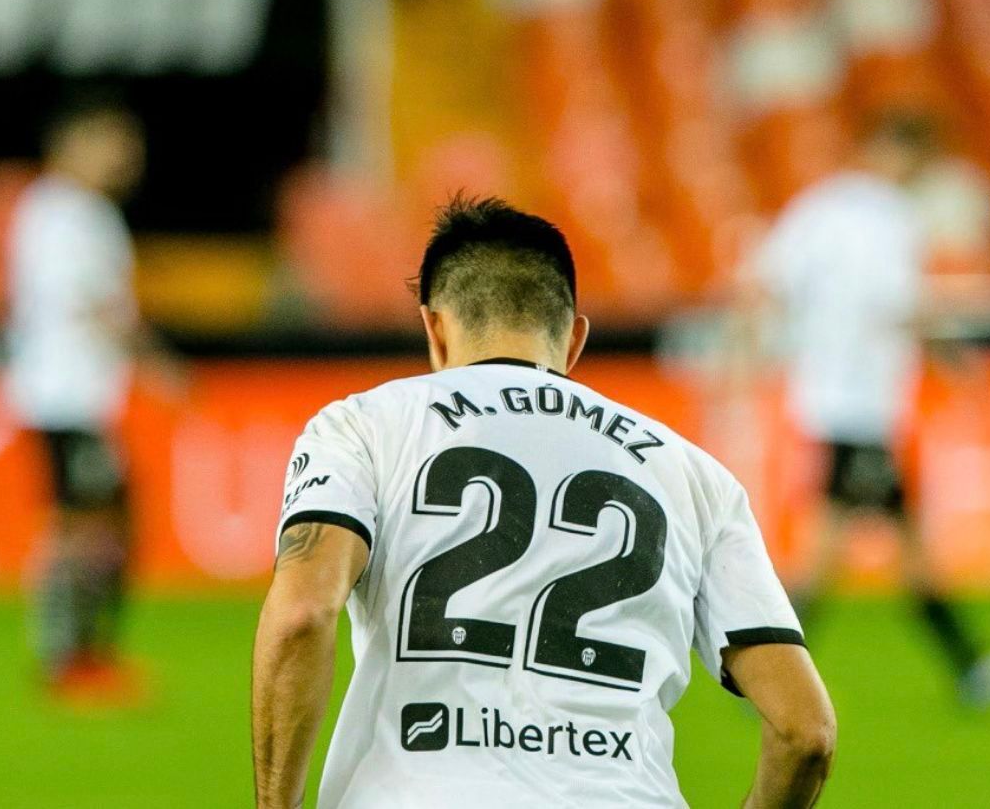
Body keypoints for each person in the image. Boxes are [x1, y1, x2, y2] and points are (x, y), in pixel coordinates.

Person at [252, 198, 835, 808]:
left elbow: (301, 615)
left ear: (434, 328)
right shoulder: (696, 476)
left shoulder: (362, 427)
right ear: (575, 337)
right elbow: (805, 732)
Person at [743, 110, 990, 710]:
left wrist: (765, 354)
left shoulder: (819, 207)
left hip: (826, 398)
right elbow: (901, 306)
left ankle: (969, 669)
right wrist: (958, 363)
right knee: (836, 551)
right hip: (862, 405)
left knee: (880, 545)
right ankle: (764, 670)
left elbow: (767, 283)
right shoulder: (888, 218)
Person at [6, 98, 150, 703]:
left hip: (78, 394)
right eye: (112, 141)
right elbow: (91, 304)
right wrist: (155, 359)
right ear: (73, 142)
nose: (126, 156)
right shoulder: (61, 213)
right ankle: (71, 656)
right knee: (86, 525)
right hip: (63, 395)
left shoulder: (75, 212)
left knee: (98, 522)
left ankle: (83, 652)